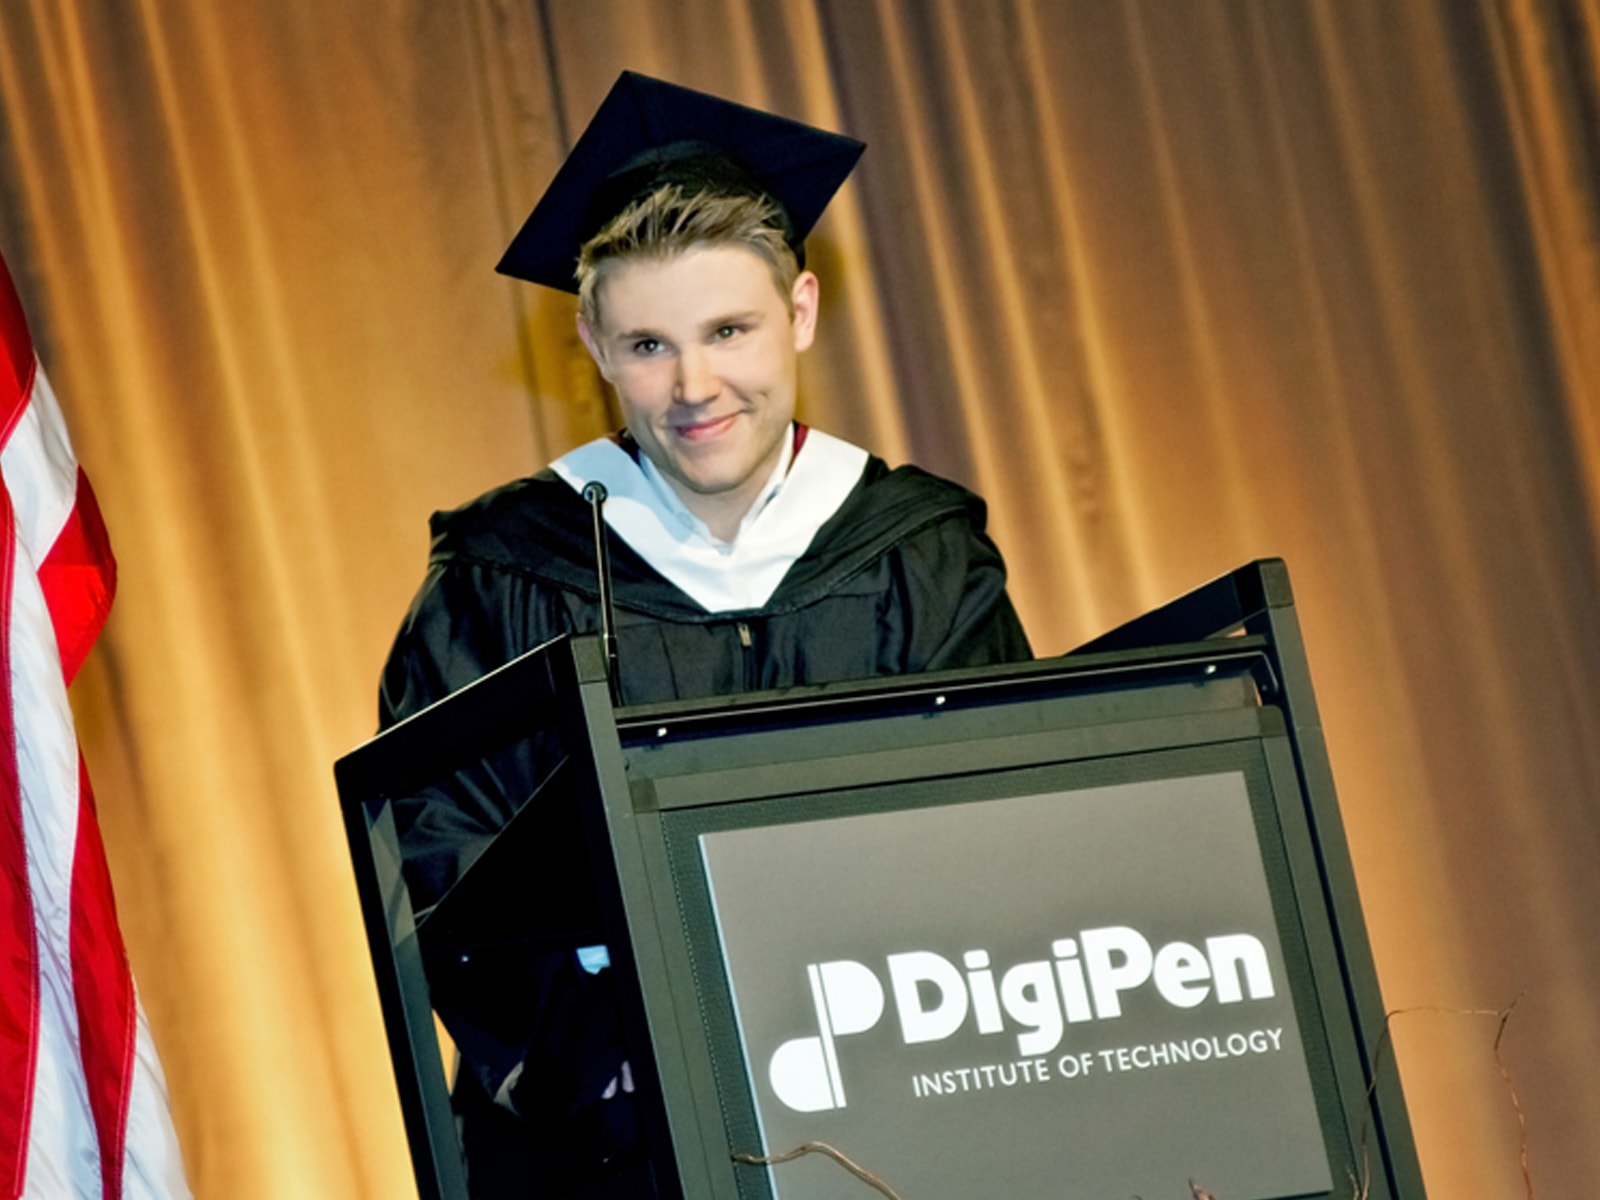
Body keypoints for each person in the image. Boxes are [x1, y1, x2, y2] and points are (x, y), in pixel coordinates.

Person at [378, 72, 1031, 1198]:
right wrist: (629, 1042)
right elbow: (440, 866)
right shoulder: (503, 571)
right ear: (589, 343)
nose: (693, 386)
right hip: (610, 1145)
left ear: (803, 312)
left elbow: (1001, 817)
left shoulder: (915, 551)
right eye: (646, 345)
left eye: (728, 329)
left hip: (904, 1110)